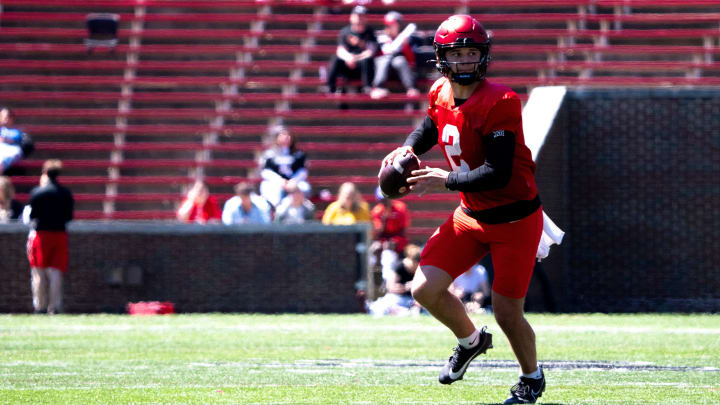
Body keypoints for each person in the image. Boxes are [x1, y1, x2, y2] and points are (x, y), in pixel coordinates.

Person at [379, 15, 545, 404]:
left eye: (472, 52)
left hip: (514, 218)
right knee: (423, 289)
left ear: (483, 56)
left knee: (507, 312)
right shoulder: (440, 91)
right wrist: (408, 149)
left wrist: (445, 180)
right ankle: (470, 341)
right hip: (471, 215)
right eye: (458, 53)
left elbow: (499, 172)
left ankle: (531, 377)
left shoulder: (500, 101)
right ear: (442, 58)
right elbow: (431, 127)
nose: (466, 61)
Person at [23, 160, 74, 314]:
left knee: (38, 272)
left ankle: (40, 306)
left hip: (41, 235)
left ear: (45, 173)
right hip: (59, 234)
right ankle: (54, 307)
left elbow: (32, 215)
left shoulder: (37, 192)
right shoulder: (65, 193)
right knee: (56, 272)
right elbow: (69, 216)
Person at [326, 5, 377, 94]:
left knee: (367, 60)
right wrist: (349, 58)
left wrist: (355, 58)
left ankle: (367, 87)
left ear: (366, 18)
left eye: (361, 16)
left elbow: (371, 52)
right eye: (357, 16)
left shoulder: (370, 32)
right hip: (347, 65)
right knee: (335, 59)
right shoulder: (345, 31)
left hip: (361, 65)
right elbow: (340, 50)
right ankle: (330, 87)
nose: (359, 19)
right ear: (352, 17)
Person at [370, 11, 420, 99]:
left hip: (400, 72)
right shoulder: (381, 38)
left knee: (399, 60)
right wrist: (385, 50)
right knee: (383, 60)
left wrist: (405, 46)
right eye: (387, 25)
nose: (388, 28)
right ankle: (378, 87)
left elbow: (412, 61)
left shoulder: (407, 39)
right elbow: (375, 56)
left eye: (391, 25)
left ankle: (411, 88)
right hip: (384, 71)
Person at [259, 125, 311, 208]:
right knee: (269, 190)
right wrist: (279, 180)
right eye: (283, 135)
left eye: (288, 136)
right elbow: (266, 172)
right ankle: (276, 213)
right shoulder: (270, 154)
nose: (286, 138)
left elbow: (303, 171)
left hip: (294, 182)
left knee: (304, 187)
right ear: (277, 138)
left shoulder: (299, 154)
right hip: (275, 182)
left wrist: (294, 181)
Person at [368, 243, 421, 317]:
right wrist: (406, 287)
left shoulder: (420, 270)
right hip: (398, 298)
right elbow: (391, 287)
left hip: (414, 299)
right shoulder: (399, 267)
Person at [369, 186, 410, 279]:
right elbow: (377, 234)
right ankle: (371, 279)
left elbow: (403, 232)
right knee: (372, 250)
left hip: (397, 238)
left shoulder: (401, 208)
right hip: (383, 239)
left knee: (388, 252)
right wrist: (384, 220)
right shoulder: (377, 211)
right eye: (382, 200)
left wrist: (394, 243)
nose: (385, 202)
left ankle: (388, 280)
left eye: (386, 199)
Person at [0, 106, 32, 174]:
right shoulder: (1, 130)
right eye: (2, 116)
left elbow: (27, 144)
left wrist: (7, 140)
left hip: (12, 150)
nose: (5, 119)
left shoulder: (19, 131)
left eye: (8, 116)